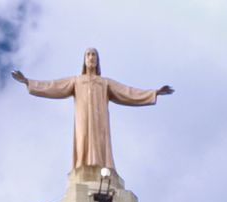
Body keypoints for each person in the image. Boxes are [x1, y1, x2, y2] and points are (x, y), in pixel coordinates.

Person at [11, 49, 174, 174]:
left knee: (101, 140)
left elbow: (128, 92)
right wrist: (28, 82)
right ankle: (82, 168)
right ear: (84, 59)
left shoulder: (104, 83)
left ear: (98, 60)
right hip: (83, 118)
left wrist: (154, 92)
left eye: (94, 55)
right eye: (88, 55)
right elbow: (54, 86)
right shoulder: (76, 81)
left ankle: (104, 168)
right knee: (82, 138)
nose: (91, 57)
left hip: (100, 121)